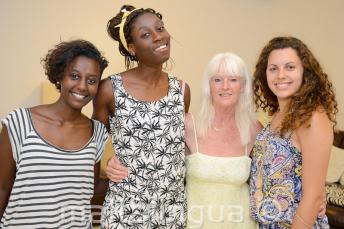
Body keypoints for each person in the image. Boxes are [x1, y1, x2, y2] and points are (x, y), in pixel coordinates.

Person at [92, 4, 190, 228]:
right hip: (125, 211)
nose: (158, 37)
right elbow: (92, 145)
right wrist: (106, 170)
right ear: (133, 48)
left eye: (160, 28)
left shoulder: (182, 90)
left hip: (171, 212)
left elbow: (180, 148)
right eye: (146, 34)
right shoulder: (109, 89)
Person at [0, 39, 109, 228]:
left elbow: (90, 188)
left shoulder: (97, 132)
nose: (83, 86)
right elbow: (2, 188)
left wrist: (127, 174)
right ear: (60, 76)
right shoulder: (19, 122)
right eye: (74, 76)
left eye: (92, 81)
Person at [249, 36, 338, 228]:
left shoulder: (313, 118)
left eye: (290, 67)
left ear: (305, 72)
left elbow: (313, 198)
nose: (281, 75)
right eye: (273, 68)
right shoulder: (278, 115)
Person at [184, 53, 261, 229]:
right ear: (208, 86)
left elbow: (271, 175)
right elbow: (155, 157)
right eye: (217, 80)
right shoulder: (188, 124)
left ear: (243, 86)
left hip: (242, 223)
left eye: (233, 80)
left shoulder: (255, 129)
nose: (225, 86)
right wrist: (115, 163)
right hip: (195, 222)